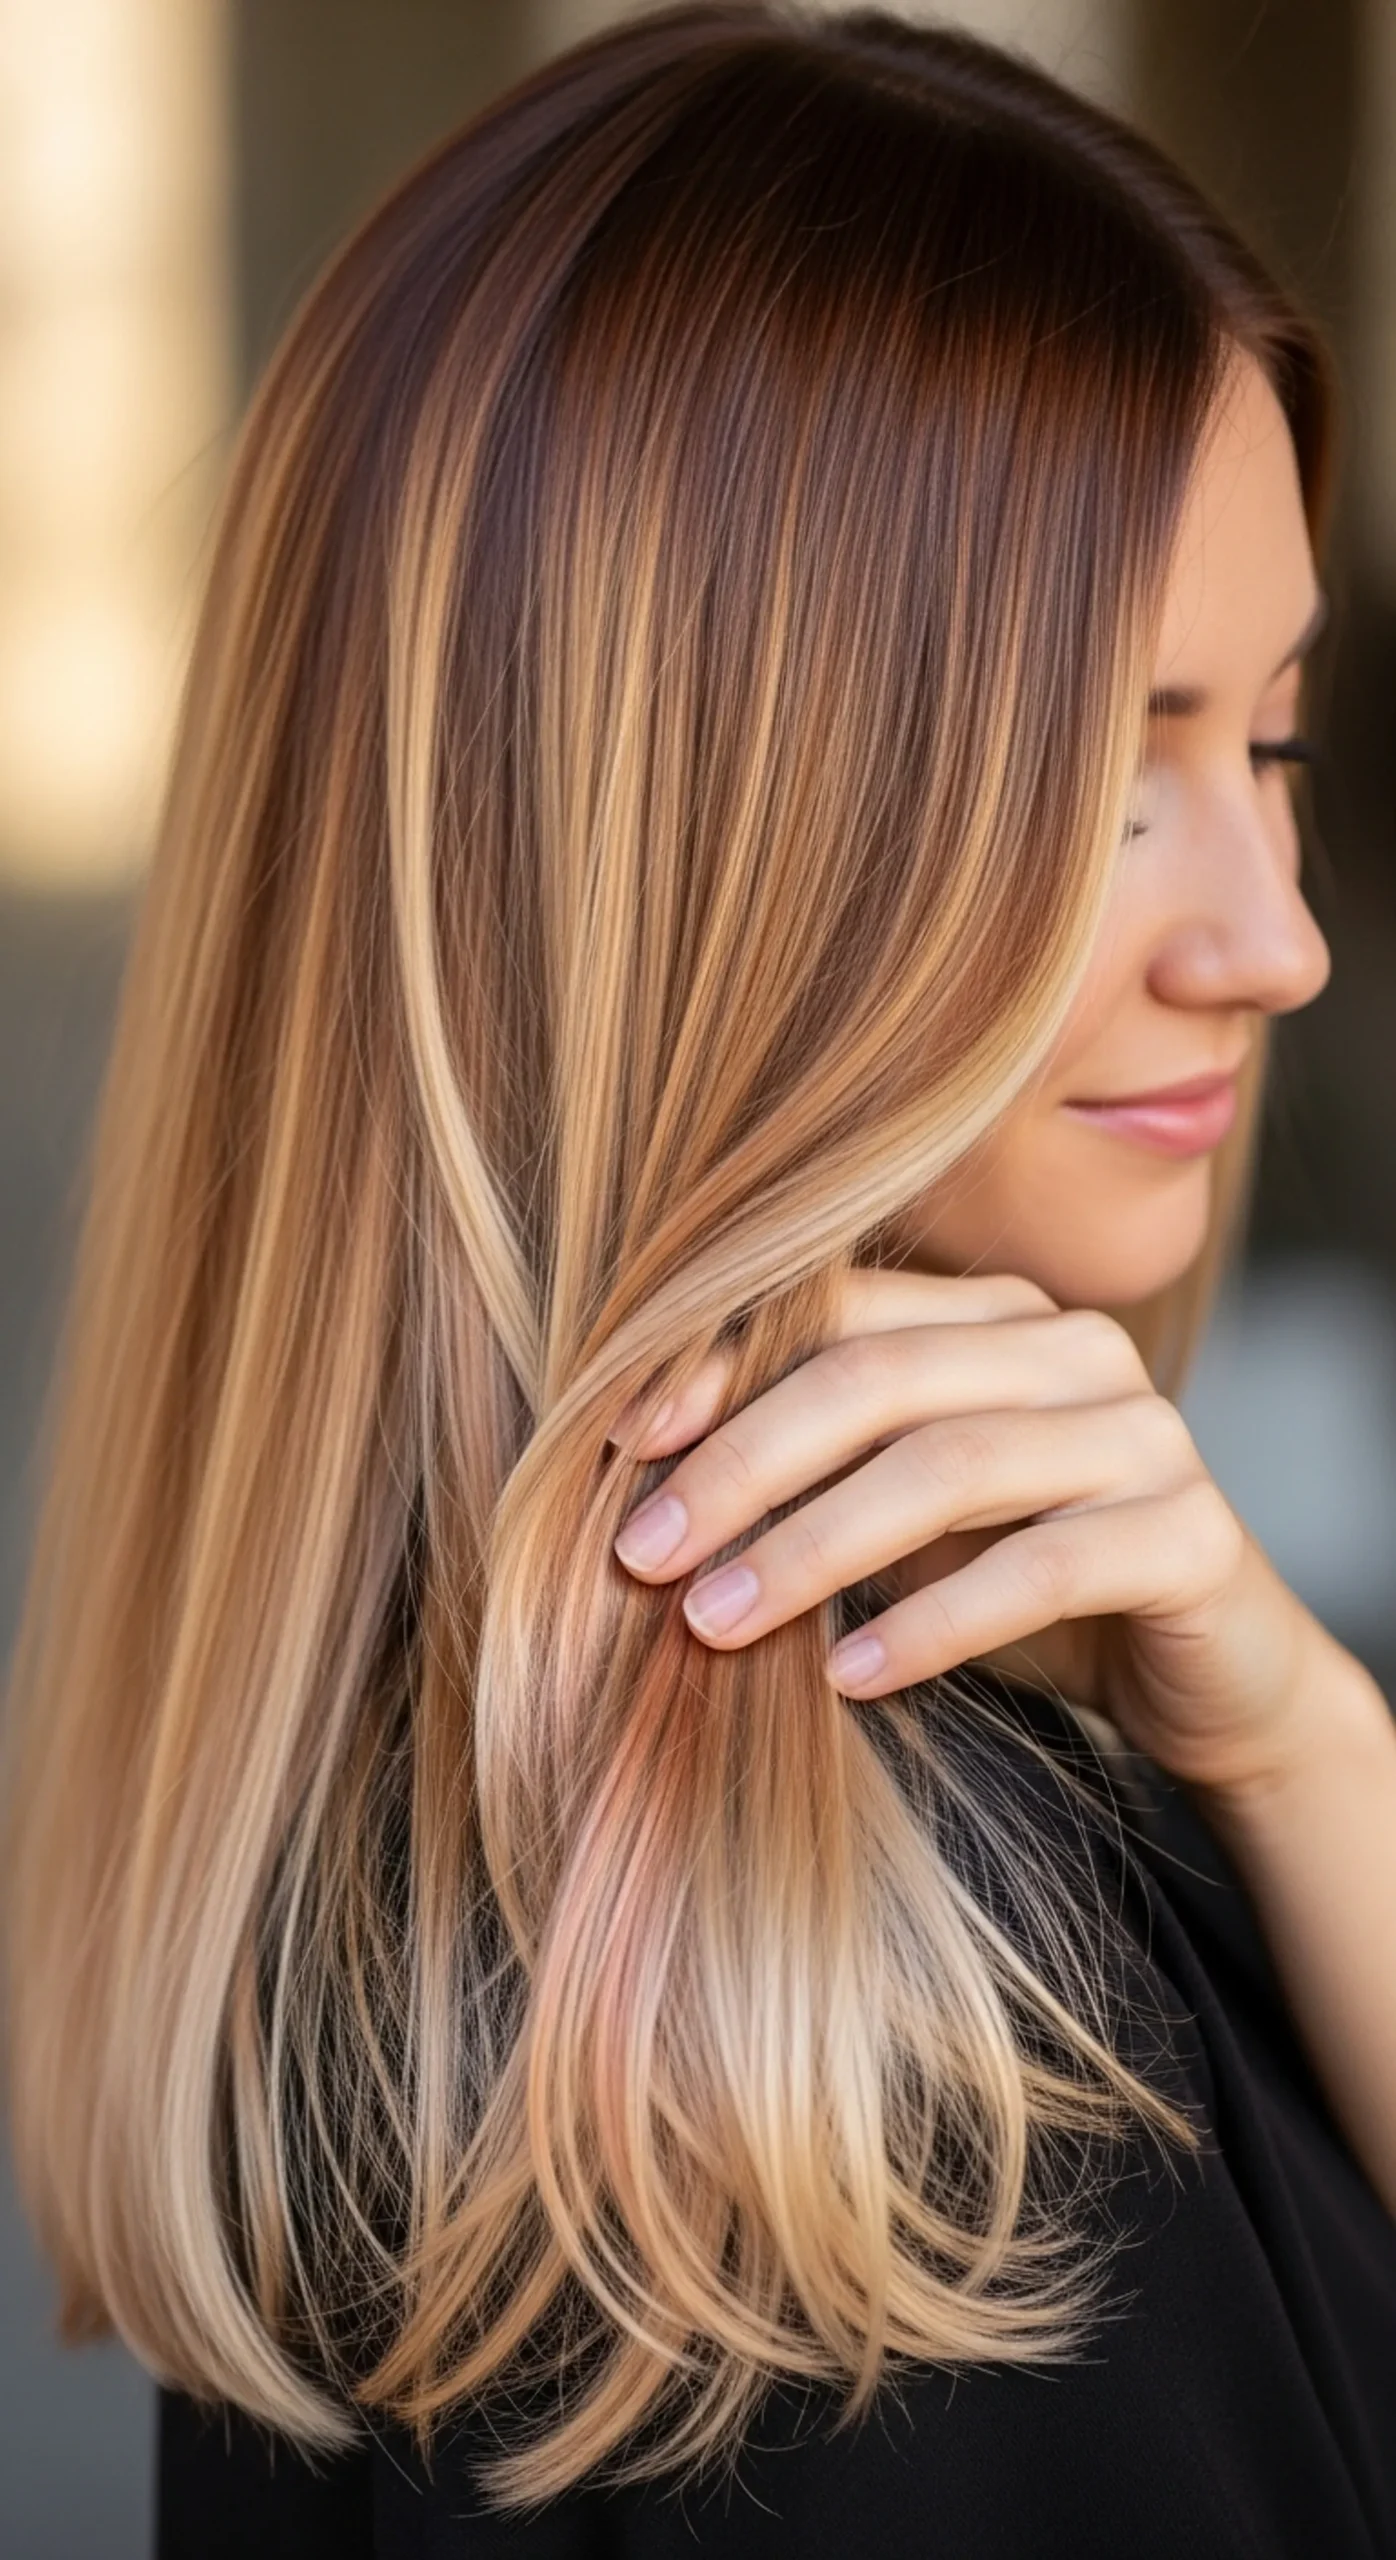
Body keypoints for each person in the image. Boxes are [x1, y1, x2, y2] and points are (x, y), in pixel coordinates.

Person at [3, 4, 1395, 2552]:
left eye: (1269, 746)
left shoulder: (543, 1871)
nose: (1270, 939)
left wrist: (1298, 1738)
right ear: (704, 868)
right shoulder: (871, 2074)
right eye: (1112, 774)